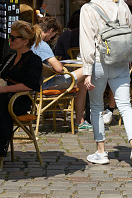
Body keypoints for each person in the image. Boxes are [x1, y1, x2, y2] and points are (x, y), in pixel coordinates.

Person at [79, 0, 132, 171]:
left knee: (97, 108)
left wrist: (86, 71)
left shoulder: (88, 9)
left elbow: (87, 42)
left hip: (98, 62)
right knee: (125, 106)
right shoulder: (121, 4)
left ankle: (101, 152)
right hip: (120, 62)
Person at [32, 16, 89, 129]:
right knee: (86, 70)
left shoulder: (30, 42)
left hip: (34, 83)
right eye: (53, 35)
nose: (52, 38)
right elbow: (58, 69)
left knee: (80, 81)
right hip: (46, 84)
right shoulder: (42, 45)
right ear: (50, 30)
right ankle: (79, 120)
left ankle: (52, 111)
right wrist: (60, 66)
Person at [0, 21, 43, 158]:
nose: (10, 40)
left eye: (13, 38)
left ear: (25, 41)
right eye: (10, 37)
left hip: (18, 101)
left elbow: (30, 85)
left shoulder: (34, 60)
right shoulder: (10, 57)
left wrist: (3, 90)